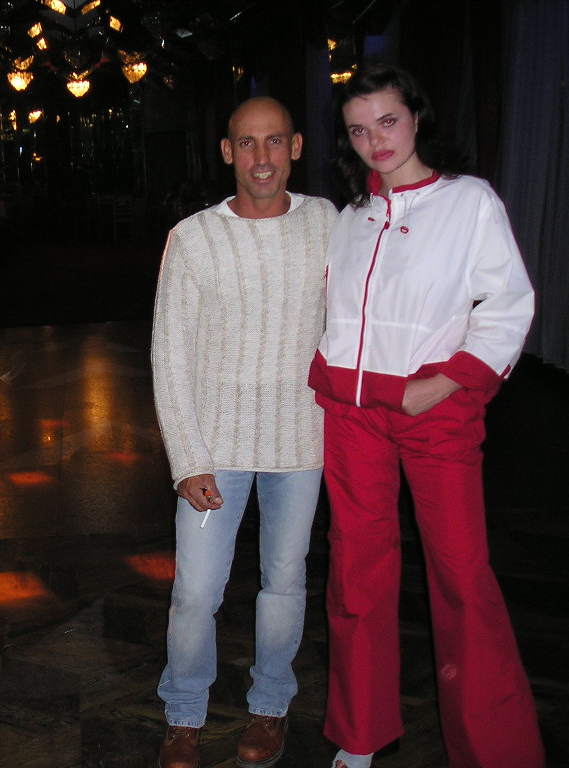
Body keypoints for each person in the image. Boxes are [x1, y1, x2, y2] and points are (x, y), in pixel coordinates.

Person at [308, 63, 545, 768]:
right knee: (356, 574)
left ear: (416, 116)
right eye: (358, 129)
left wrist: (446, 381)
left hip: (434, 413)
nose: (375, 140)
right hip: (352, 416)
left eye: (387, 120)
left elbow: (508, 304)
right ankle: (360, 735)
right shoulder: (350, 217)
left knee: (462, 577)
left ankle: (495, 751)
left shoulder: (468, 202)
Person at [151, 97, 336, 768]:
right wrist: (187, 458)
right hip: (215, 448)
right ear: (227, 152)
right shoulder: (193, 237)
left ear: (296, 146)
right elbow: (169, 355)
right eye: (248, 143)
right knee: (196, 592)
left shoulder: (327, 223)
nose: (263, 157)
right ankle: (184, 714)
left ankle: (270, 706)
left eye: (275, 141)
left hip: (300, 440)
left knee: (284, 582)